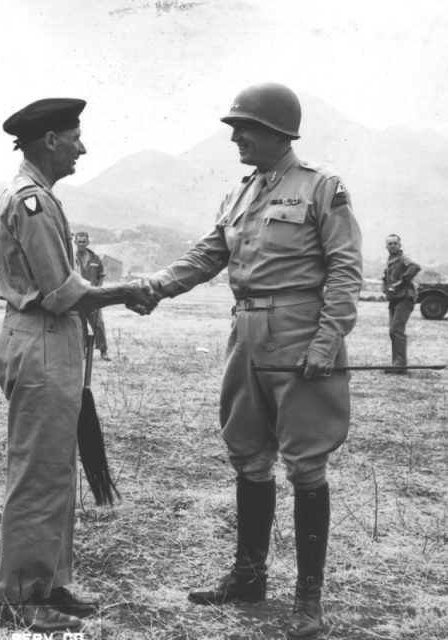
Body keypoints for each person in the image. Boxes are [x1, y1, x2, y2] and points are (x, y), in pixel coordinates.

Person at [146, 83, 363, 639]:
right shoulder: (240, 195)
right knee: (247, 454)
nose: (235, 137)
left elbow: (344, 271)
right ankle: (248, 577)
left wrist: (326, 341)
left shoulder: (321, 189)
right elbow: (206, 255)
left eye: (243, 128)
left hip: (299, 335)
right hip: (245, 332)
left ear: (275, 132)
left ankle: (307, 601)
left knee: (306, 463)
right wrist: (154, 286)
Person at [0, 98, 157, 632]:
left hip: (50, 343)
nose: (83, 146)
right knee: (38, 476)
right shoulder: (31, 202)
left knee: (55, 470)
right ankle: (21, 597)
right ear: (50, 140)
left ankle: (50, 584)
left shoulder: (40, 198)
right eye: (76, 136)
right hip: (41, 341)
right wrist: (123, 291)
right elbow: (60, 291)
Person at [382, 234, 420, 373]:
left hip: (405, 298)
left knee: (397, 330)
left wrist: (401, 282)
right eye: (390, 244)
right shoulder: (390, 260)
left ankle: (400, 365)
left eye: (395, 243)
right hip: (395, 299)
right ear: (386, 246)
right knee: (393, 331)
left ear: (400, 245)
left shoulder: (403, 258)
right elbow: (386, 277)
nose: (393, 246)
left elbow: (415, 267)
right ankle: (397, 364)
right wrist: (385, 287)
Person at [75, 231, 111, 360]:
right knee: (80, 325)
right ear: (75, 242)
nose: (81, 245)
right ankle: (83, 351)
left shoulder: (96, 258)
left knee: (98, 324)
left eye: (84, 242)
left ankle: (103, 351)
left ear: (88, 242)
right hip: (78, 297)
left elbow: (101, 276)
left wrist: (98, 290)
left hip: (93, 297)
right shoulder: (72, 258)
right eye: (79, 242)